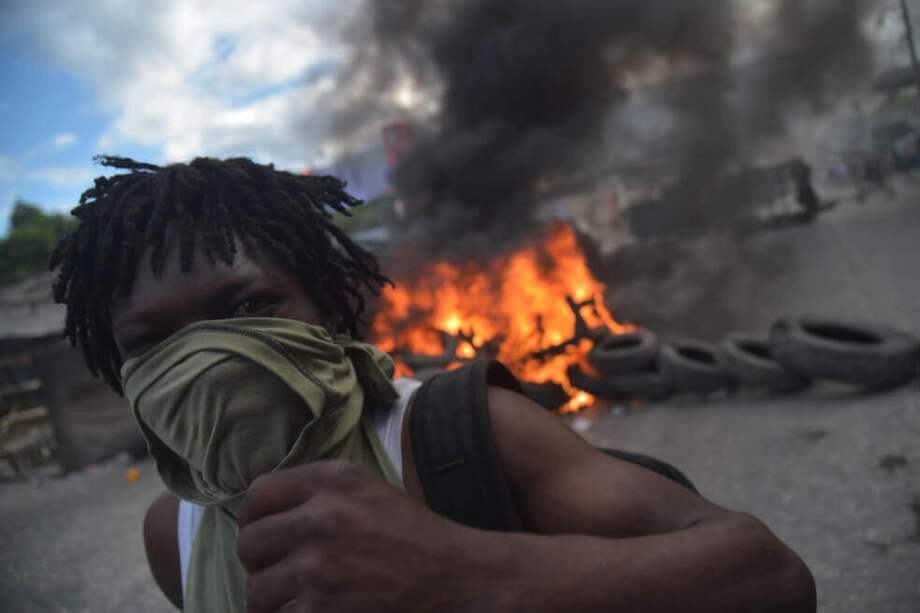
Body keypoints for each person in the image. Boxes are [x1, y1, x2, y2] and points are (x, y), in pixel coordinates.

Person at [51, 156, 816, 613]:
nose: (207, 359)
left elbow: (770, 575)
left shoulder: (459, 432)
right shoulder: (171, 534)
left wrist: (472, 574)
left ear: (333, 308)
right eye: (154, 342)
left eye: (250, 307)